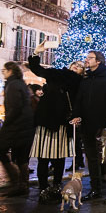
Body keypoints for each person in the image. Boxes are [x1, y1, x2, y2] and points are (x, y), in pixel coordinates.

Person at [27, 46, 84, 204]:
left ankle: (57, 186)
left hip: (62, 123)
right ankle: (43, 187)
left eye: (81, 66)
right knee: (43, 158)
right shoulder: (57, 74)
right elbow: (37, 69)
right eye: (75, 64)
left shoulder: (80, 84)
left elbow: (81, 103)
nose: (77, 66)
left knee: (59, 158)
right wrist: (36, 53)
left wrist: (78, 117)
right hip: (45, 120)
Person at [70, 50, 106, 203]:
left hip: (104, 125)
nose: (86, 60)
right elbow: (79, 100)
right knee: (91, 159)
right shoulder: (86, 79)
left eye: (89, 58)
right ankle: (96, 189)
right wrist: (76, 115)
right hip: (87, 125)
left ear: (98, 61)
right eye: (86, 57)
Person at [0, 61, 35, 196]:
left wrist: (7, 123)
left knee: (0, 151)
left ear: (10, 71)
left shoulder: (13, 85)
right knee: (21, 157)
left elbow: (15, 107)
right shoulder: (21, 84)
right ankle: (23, 184)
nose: (3, 73)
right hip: (26, 126)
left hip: (16, 126)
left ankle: (16, 182)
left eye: (4, 70)